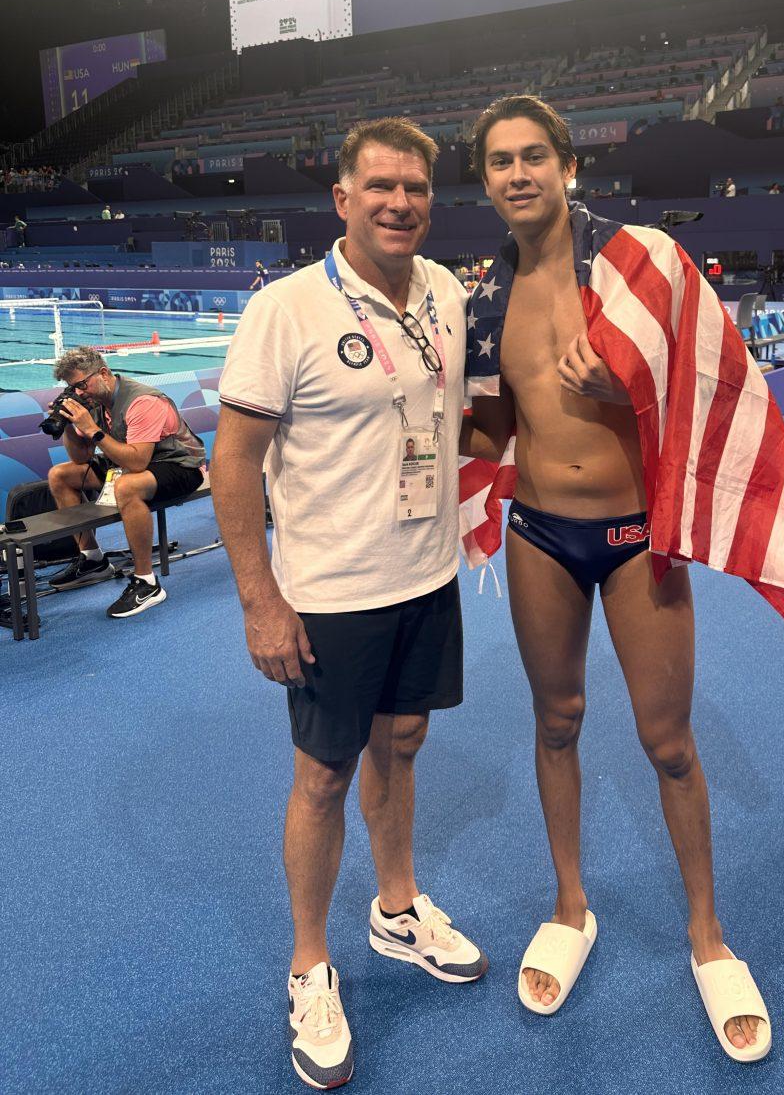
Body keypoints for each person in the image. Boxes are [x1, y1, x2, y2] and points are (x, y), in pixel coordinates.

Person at [459, 95, 784, 1060]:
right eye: (499, 161)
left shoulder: (639, 264)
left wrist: (629, 382)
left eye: (533, 155)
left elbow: (716, 382)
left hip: (634, 536)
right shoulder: (484, 298)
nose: (517, 174)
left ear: (568, 165)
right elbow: (493, 426)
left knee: (668, 741)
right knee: (557, 722)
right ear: (487, 180)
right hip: (541, 531)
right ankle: (570, 905)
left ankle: (709, 938)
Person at [210, 117, 485, 1091]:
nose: (400, 202)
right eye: (380, 186)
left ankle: (396, 907)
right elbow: (231, 462)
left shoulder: (448, 292)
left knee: (403, 740)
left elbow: (444, 415)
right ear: (342, 198)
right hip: (329, 595)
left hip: (427, 576)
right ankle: (310, 962)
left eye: (415, 187)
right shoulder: (286, 310)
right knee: (322, 777)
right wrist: (259, 599)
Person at [45, 347, 206, 617]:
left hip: (180, 464)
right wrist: (70, 425)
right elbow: (81, 456)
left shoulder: (142, 401)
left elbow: (137, 463)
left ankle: (147, 582)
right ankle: (93, 560)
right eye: (73, 388)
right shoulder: (93, 403)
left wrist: (93, 430)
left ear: (104, 374)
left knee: (127, 486)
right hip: (131, 459)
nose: (80, 393)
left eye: (82, 385)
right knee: (60, 475)